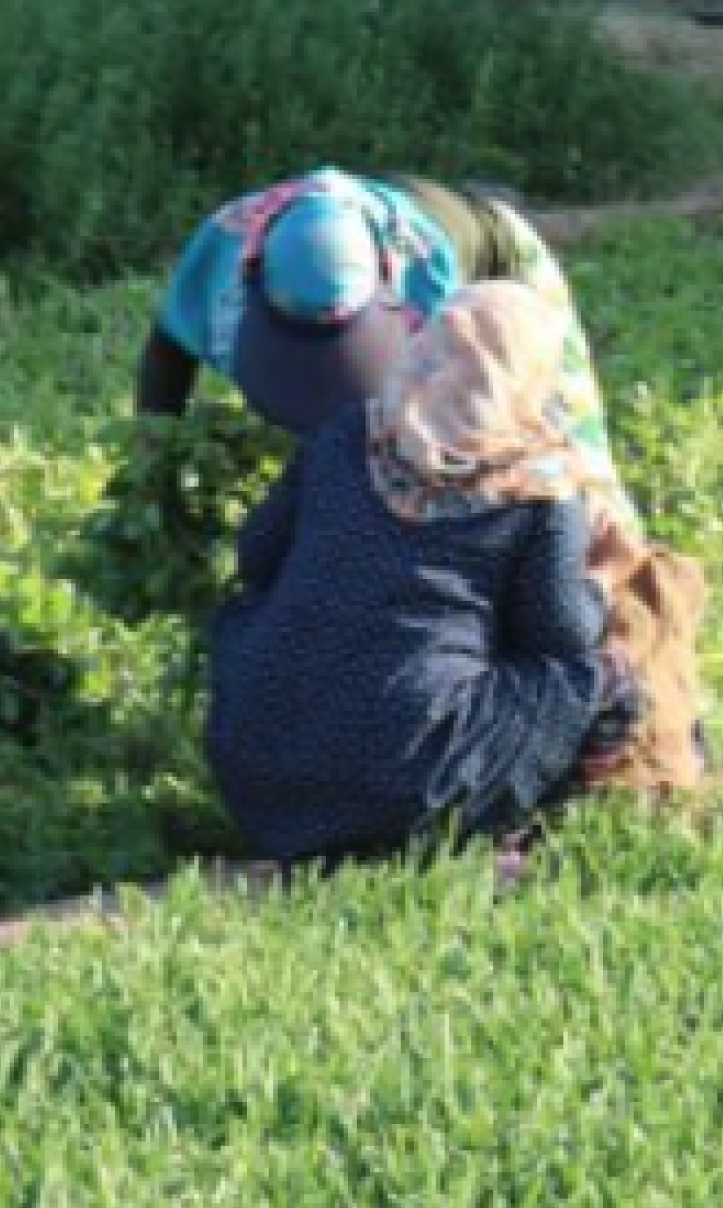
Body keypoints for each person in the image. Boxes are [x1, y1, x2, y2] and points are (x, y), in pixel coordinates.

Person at [205, 285, 640, 868]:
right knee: (602, 685)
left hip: (258, 774)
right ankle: (492, 823)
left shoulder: (349, 435)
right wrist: (602, 576)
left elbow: (256, 555)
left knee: (250, 617)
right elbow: (560, 637)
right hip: (405, 782)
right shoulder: (534, 488)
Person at [140, 169, 612, 473]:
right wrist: (152, 461)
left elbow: (433, 427)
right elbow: (169, 347)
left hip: (502, 265)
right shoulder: (228, 249)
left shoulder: (427, 276)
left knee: (547, 464)